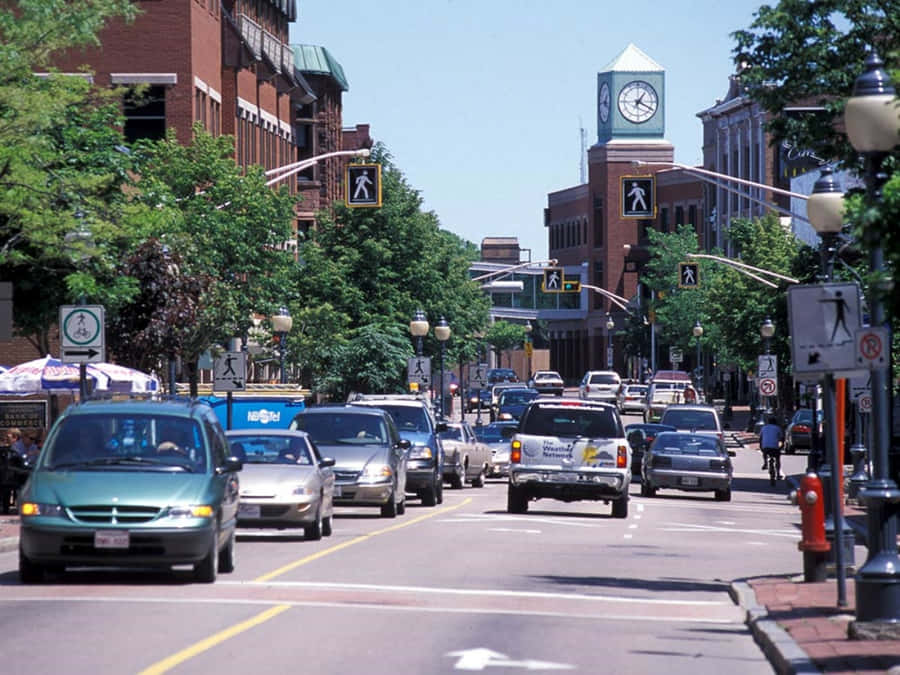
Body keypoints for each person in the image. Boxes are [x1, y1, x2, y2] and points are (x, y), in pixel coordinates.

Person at [759, 414, 784, 484]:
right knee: (778, 459)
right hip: (775, 448)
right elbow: (781, 438)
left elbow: (760, 438)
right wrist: (781, 447)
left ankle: (765, 463)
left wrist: (761, 447)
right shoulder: (778, 428)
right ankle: (778, 474)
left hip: (766, 447)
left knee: (765, 453)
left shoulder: (764, 428)